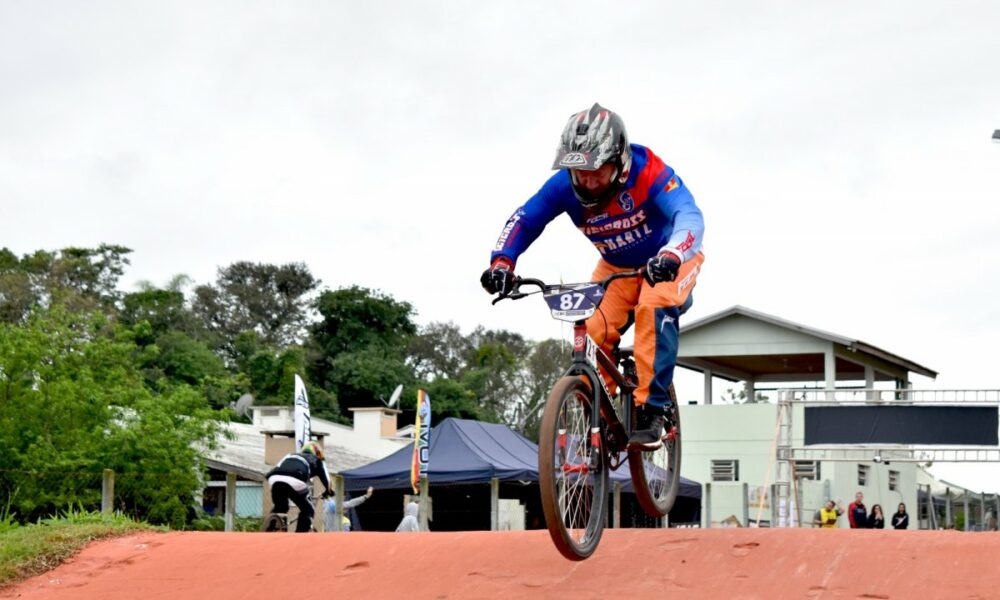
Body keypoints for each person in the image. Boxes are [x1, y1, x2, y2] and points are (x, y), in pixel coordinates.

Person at [481, 103, 705, 449]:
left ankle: (652, 410)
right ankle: (602, 411)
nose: (587, 181)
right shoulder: (563, 186)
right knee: (593, 331)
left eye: (596, 171)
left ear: (619, 162)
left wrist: (672, 254)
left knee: (653, 305)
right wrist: (502, 264)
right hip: (616, 266)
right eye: (579, 172)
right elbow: (526, 219)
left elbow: (689, 216)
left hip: (670, 259)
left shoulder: (649, 172)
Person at [264, 441, 332, 532]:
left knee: (281, 506)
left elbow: (277, 467)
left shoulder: (290, 455)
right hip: (295, 479)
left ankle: (268, 529)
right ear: (317, 453)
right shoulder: (317, 460)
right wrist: (329, 491)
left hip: (274, 478)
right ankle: (299, 536)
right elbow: (327, 480)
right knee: (308, 509)